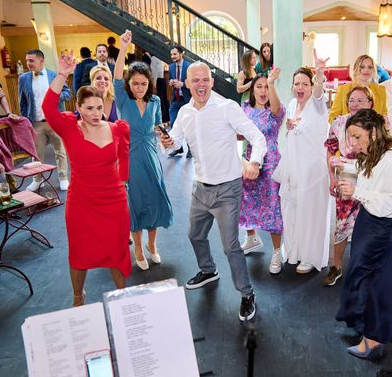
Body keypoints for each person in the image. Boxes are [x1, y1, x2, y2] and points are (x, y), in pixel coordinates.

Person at [159, 61, 266, 322]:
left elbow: (258, 137)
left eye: (205, 79)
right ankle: (209, 271)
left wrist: (255, 162)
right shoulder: (184, 113)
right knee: (195, 235)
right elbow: (172, 146)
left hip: (228, 188)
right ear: (186, 84)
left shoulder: (227, 107)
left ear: (212, 81)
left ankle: (247, 293)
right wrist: (167, 143)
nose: (201, 84)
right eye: (195, 80)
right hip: (200, 187)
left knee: (231, 246)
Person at [42, 52, 131, 306]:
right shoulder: (69, 127)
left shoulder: (116, 129)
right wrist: (62, 74)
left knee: (117, 251)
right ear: (78, 108)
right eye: (89, 108)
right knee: (80, 253)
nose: (95, 113)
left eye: (99, 108)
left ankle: (121, 297)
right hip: (81, 202)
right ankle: (78, 296)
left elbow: (124, 162)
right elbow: (48, 108)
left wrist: (124, 183)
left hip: (113, 202)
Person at [335, 109, 392, 359]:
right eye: (350, 137)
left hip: (386, 224)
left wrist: (356, 191)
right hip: (373, 218)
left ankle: (374, 337)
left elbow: (388, 203)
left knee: (378, 280)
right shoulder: (376, 151)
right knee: (360, 270)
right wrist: (345, 165)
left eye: (357, 137)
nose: (352, 143)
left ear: (374, 131)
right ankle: (360, 321)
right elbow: (370, 173)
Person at [114, 30, 173, 270]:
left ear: (149, 83)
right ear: (129, 83)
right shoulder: (123, 99)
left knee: (155, 201)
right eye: (135, 83)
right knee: (136, 204)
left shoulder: (156, 102)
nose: (139, 87)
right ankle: (137, 248)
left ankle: (152, 244)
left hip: (151, 156)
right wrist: (123, 49)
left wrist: (165, 137)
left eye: (143, 83)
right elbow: (116, 75)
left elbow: (158, 127)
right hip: (130, 158)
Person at [273, 51, 331, 274]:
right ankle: (294, 251)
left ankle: (309, 255)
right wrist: (289, 128)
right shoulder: (291, 103)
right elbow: (294, 131)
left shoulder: (317, 104)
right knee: (291, 209)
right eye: (297, 83)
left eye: (304, 84)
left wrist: (318, 73)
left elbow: (318, 93)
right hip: (293, 166)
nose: (300, 88)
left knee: (310, 211)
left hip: (313, 169)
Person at [323, 86, 374, 287]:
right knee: (342, 224)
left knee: (368, 224)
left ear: (370, 103)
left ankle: (363, 269)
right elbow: (329, 149)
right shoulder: (338, 123)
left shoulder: (377, 125)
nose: (355, 104)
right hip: (345, 180)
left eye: (360, 100)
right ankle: (336, 267)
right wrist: (332, 178)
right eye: (352, 100)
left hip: (370, 179)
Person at [238, 69, 285, 275]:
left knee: (273, 204)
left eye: (266, 87)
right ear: (252, 89)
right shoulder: (245, 108)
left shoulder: (275, 110)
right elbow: (240, 135)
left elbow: (276, 108)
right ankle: (252, 238)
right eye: (259, 86)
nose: (263, 90)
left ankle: (277, 252)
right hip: (250, 159)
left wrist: (272, 83)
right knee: (246, 200)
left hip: (271, 161)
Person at [18, 49, 72, 191]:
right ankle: (37, 180)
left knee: (60, 151)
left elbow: (68, 93)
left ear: (41, 61)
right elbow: (22, 102)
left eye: (31, 60)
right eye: (27, 60)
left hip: (54, 120)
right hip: (36, 122)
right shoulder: (23, 78)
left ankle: (63, 178)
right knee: (36, 153)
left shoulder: (54, 75)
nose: (28, 63)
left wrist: (55, 96)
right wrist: (26, 121)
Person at [328, 54, 387, 123]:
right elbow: (332, 117)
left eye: (370, 67)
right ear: (355, 69)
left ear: (373, 70)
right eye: (362, 67)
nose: (366, 70)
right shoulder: (343, 90)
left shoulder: (381, 90)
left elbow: (384, 117)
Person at [168, 45, 191, 156]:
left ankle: (190, 149)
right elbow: (170, 80)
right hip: (175, 99)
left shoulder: (189, 67)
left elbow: (193, 83)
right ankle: (178, 147)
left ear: (181, 54)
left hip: (187, 100)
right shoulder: (171, 67)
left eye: (175, 54)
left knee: (188, 125)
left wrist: (183, 84)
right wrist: (171, 82)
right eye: (171, 54)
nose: (172, 56)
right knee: (173, 123)